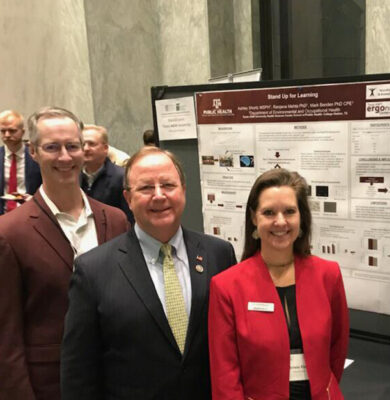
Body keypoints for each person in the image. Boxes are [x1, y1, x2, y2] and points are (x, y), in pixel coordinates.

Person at [61, 146, 237, 399]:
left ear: (183, 191)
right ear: (128, 198)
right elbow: (78, 373)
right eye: (145, 188)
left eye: (168, 185)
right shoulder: (93, 271)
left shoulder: (219, 254)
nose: (159, 195)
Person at [0, 106, 130, 400]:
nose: (64, 157)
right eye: (52, 147)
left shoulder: (116, 220)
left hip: (117, 381)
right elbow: (6, 339)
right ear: (33, 151)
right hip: (49, 386)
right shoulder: (9, 233)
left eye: (72, 146)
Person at [209, 168, 349, 399]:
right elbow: (225, 374)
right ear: (254, 217)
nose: (280, 222)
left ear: (301, 216)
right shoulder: (226, 286)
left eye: (290, 211)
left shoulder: (328, 275)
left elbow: (337, 349)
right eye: (269, 212)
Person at [80, 124, 134, 222]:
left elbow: (129, 218)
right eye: (82, 144)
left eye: (91, 144)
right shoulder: (73, 178)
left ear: (105, 148)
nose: (86, 148)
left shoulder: (122, 177)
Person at [0, 109, 42, 214]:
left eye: (12, 130)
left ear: (23, 132)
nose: (7, 135)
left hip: (31, 214)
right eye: (3, 131)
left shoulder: (37, 156)